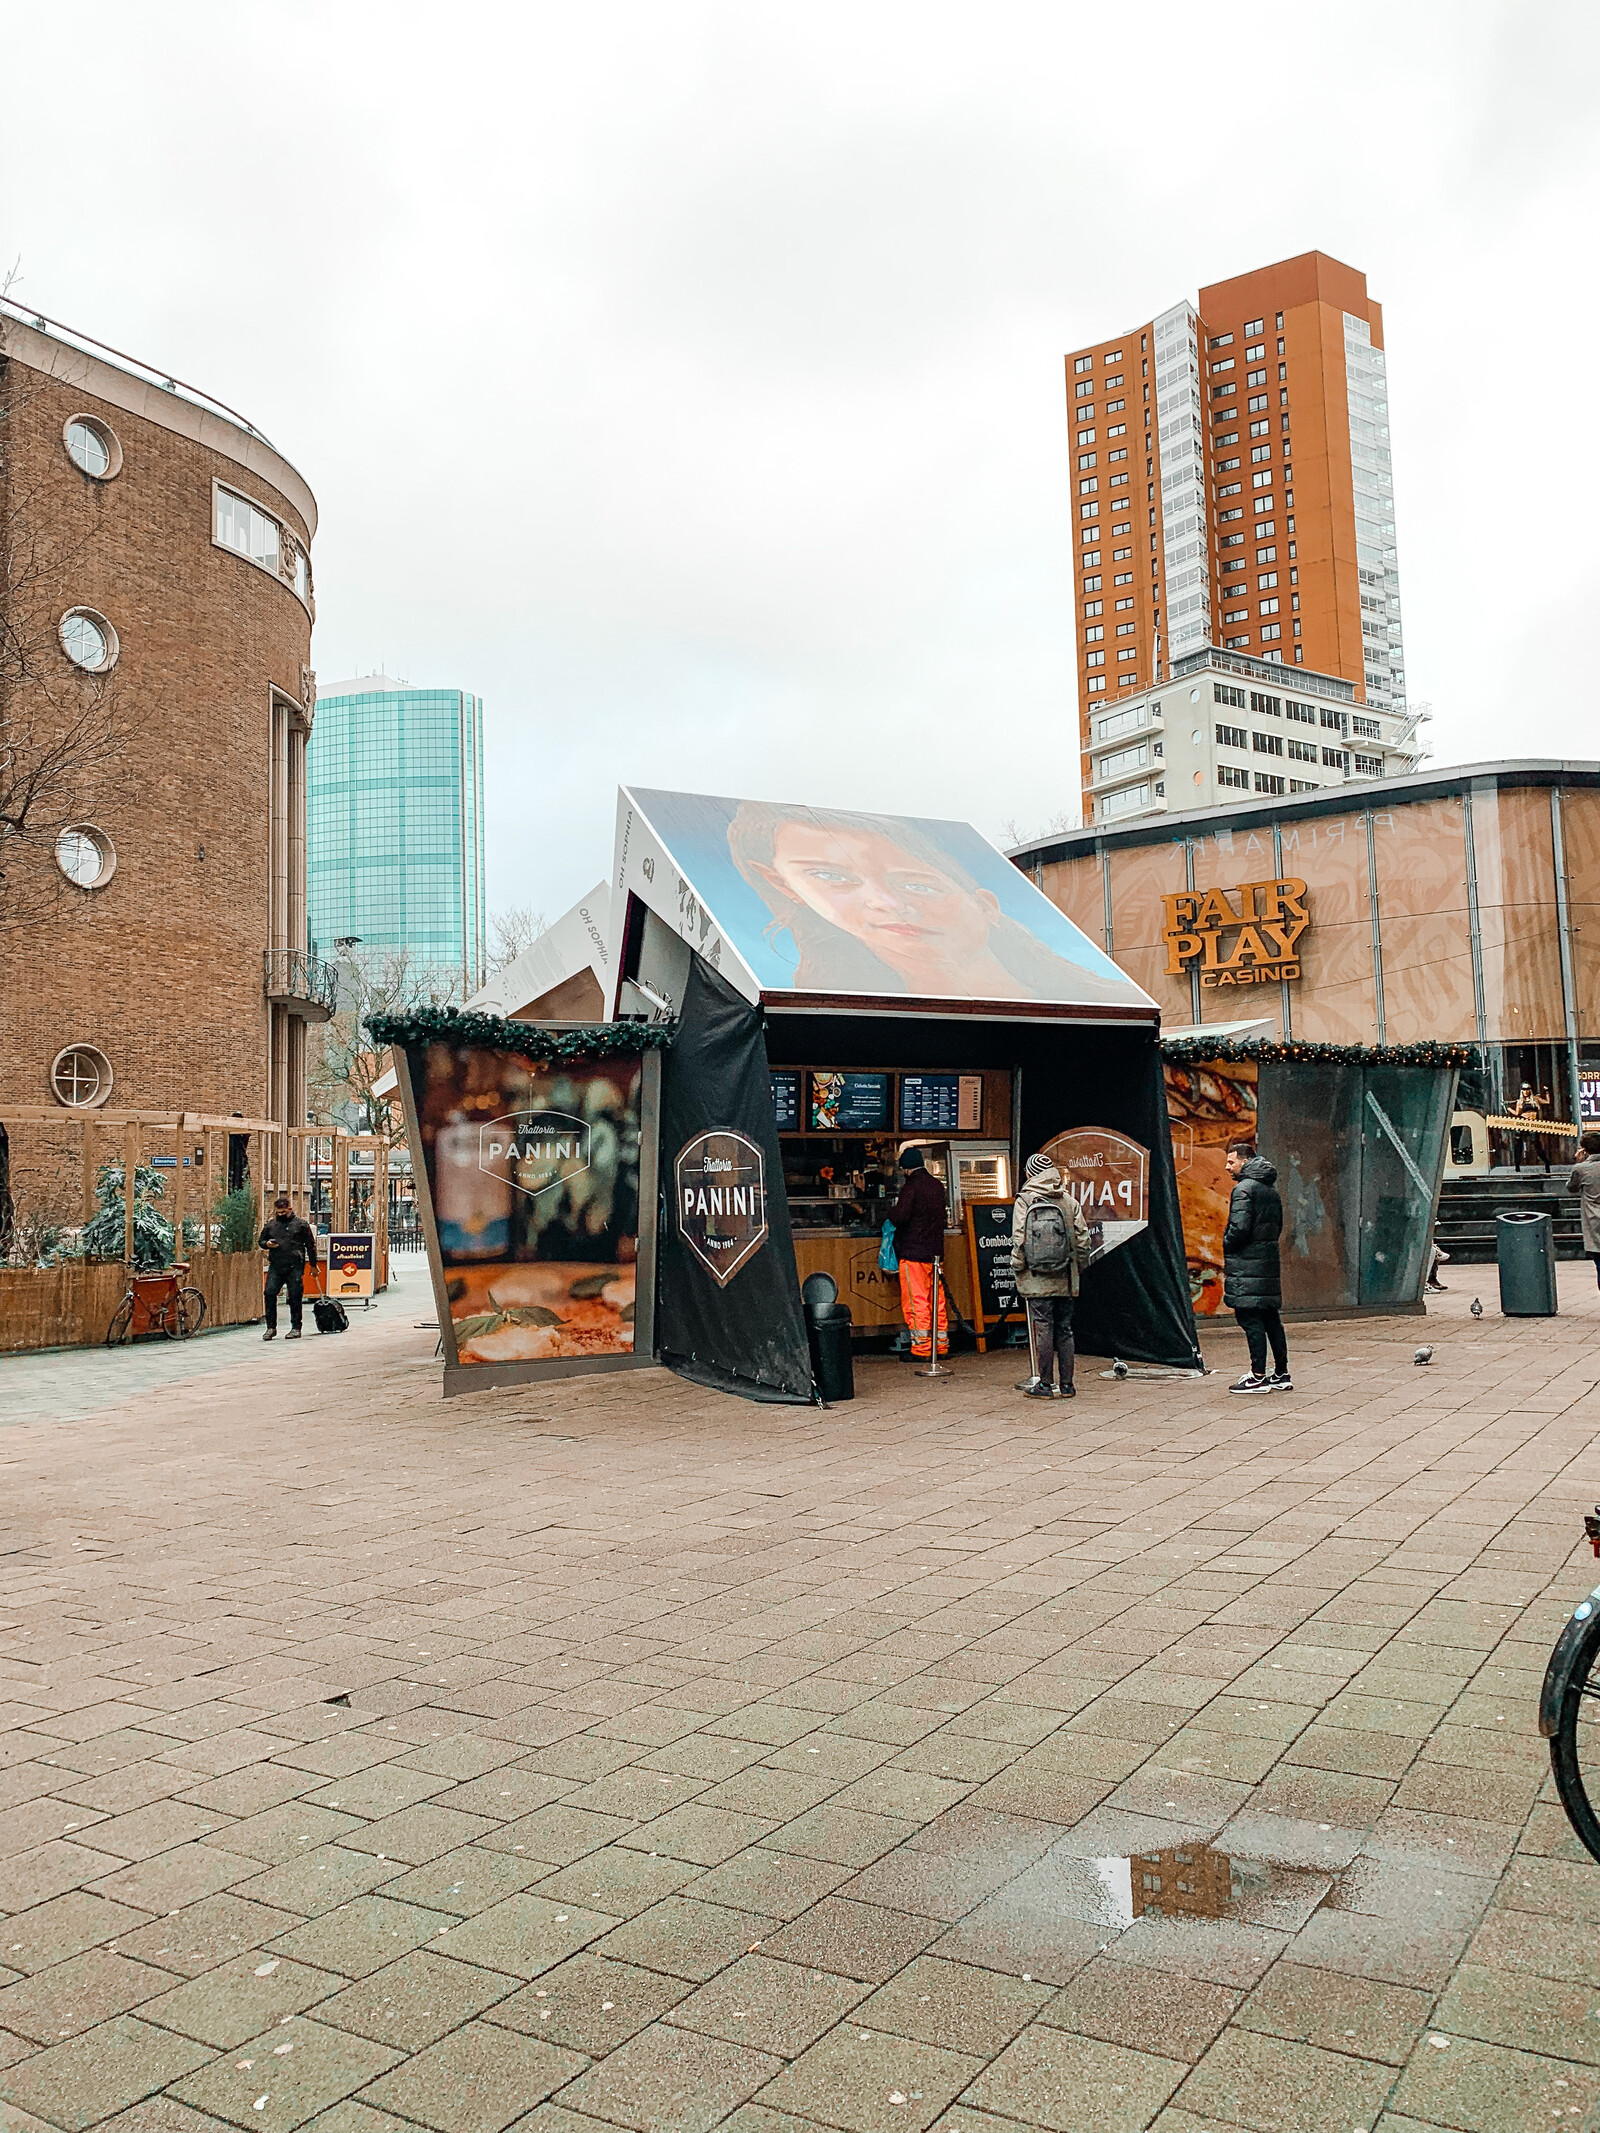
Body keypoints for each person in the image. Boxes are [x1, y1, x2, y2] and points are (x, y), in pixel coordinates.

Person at [725, 801, 1135, 1005]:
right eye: (831, 877)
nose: (886, 903)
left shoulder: (1107, 1003)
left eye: (918, 885)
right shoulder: (829, 1010)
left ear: (987, 905)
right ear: (785, 886)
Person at [1010, 1150, 1091, 1398]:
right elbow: (1083, 1240)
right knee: (1065, 1329)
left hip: (1036, 1276)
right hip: (1065, 1276)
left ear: (1029, 1174)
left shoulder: (1025, 1201)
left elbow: (1019, 1239)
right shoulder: (1068, 1201)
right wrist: (1078, 1266)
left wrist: (1017, 1266)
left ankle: (1045, 1384)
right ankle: (1067, 1385)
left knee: (1043, 1327)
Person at [1223, 1140, 1290, 1393]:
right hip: (1267, 1262)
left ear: (1245, 1161)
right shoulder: (1270, 1189)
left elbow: (1239, 1229)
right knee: (1271, 1319)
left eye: (1231, 1162)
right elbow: (1278, 1226)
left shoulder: (1244, 1189)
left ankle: (1257, 1376)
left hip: (1246, 1265)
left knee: (1250, 1318)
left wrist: (1227, 1244)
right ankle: (1282, 1374)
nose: (1227, 1167)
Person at [891, 1146, 949, 1360]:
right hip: (935, 1254)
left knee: (917, 1302)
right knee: (937, 1301)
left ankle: (922, 1349)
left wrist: (891, 1213)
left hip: (913, 1253)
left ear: (905, 1168)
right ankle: (941, 1346)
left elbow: (901, 1217)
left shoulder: (911, 1187)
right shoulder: (936, 1185)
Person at [259, 1192, 319, 1341]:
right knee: (269, 1293)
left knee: (295, 1296)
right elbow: (261, 1241)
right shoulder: (271, 1225)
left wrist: (313, 1265)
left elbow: (310, 1246)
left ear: (290, 1209)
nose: (280, 1215)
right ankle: (271, 1327)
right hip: (276, 1265)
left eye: (283, 1212)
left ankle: (296, 1327)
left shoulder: (301, 1225)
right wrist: (267, 1244)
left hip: (294, 1265)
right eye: (278, 1212)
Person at [1570, 1132, 1600, 1289]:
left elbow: (1571, 1187)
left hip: (1595, 1222)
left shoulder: (1581, 1169)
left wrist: (1580, 1162)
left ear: (1585, 1150)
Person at [1508, 1081, 1549, 1173]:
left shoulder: (1535, 1099)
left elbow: (1547, 1101)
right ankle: (1517, 1165)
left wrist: (1547, 1092)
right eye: (1524, 1089)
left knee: (1536, 1143)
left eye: (1527, 1089)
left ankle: (1546, 1163)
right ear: (1521, 1091)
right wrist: (1509, 1109)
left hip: (1533, 1123)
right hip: (1523, 1123)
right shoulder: (1520, 1102)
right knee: (1519, 1143)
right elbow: (1517, 1113)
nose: (1526, 1091)